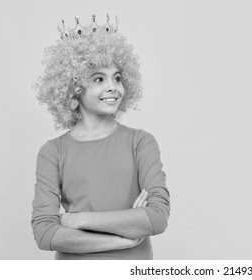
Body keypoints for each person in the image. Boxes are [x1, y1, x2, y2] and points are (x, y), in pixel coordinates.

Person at [31, 15, 170, 260]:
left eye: (117, 77)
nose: (112, 87)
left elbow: (157, 217)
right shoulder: (53, 152)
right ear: (74, 86)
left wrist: (77, 220)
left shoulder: (140, 143)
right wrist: (123, 238)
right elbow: (45, 234)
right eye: (98, 79)